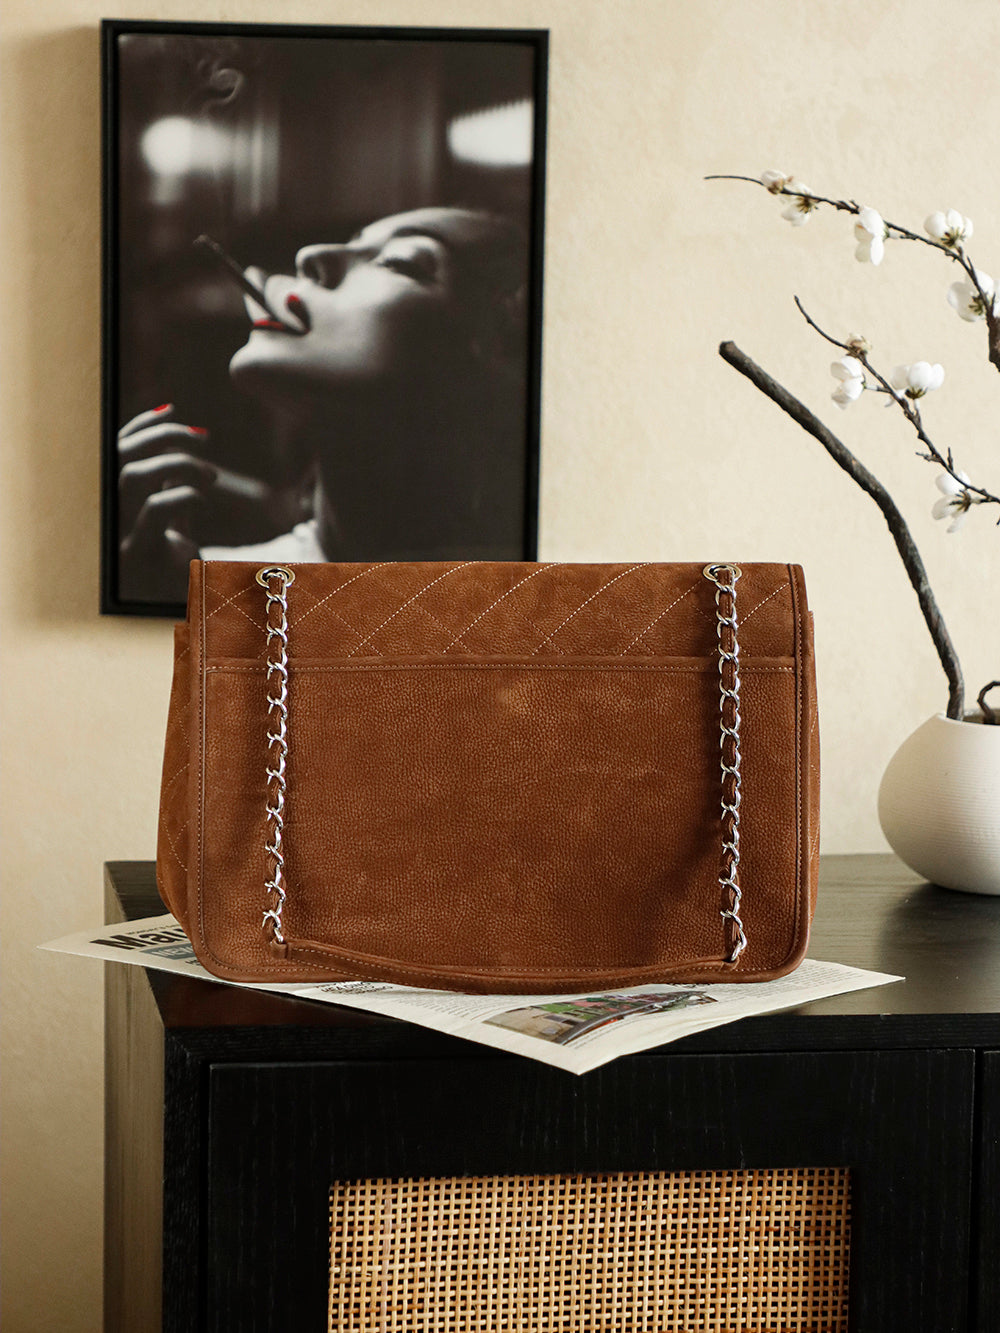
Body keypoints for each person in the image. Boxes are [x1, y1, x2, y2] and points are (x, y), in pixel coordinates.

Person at [117, 207, 530, 603]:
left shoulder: (525, 607)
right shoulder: (192, 586)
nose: (310, 255)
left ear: (502, 359)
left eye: (399, 261)